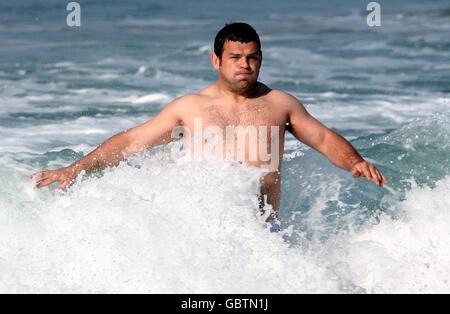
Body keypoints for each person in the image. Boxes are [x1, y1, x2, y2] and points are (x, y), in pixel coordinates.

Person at [29, 22, 388, 219]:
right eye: (235, 57)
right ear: (216, 61)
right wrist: (74, 169)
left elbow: (324, 139)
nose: (244, 65)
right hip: (205, 229)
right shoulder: (190, 107)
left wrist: (354, 161)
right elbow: (130, 142)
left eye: (252, 57)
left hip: (265, 236)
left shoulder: (279, 104)